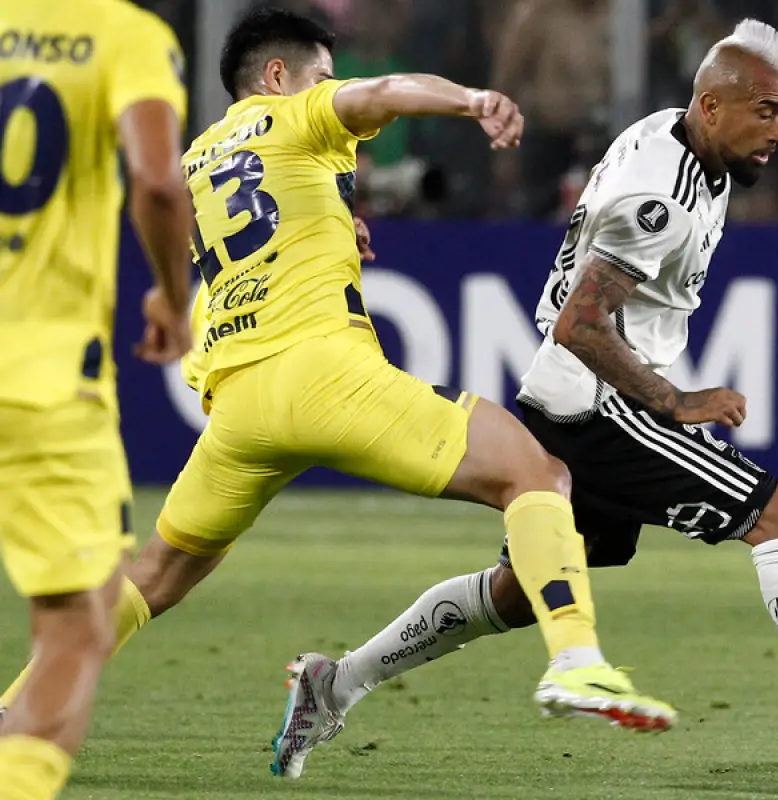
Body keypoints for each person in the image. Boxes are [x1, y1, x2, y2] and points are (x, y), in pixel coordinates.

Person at [287, 19, 778, 783]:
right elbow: (581, 321)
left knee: (519, 592)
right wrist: (672, 397)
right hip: (599, 404)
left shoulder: (674, 133)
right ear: (713, 108)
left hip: (572, 394)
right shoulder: (661, 194)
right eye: (765, 110)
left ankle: (337, 680)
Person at [0, 6, 676, 781]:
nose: (334, 88)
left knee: (154, 574)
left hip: (239, 409)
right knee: (538, 476)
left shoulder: (197, 158)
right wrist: (470, 100)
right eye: (323, 74)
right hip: (323, 374)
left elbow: (260, 229)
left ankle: (11, 711)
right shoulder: (298, 115)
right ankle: (576, 658)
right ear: (279, 77)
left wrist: (332, 220)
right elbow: (383, 91)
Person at [0, 2, 195, 798]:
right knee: (77, 627)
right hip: (38, 377)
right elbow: (155, 177)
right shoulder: (126, 39)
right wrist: (174, 297)